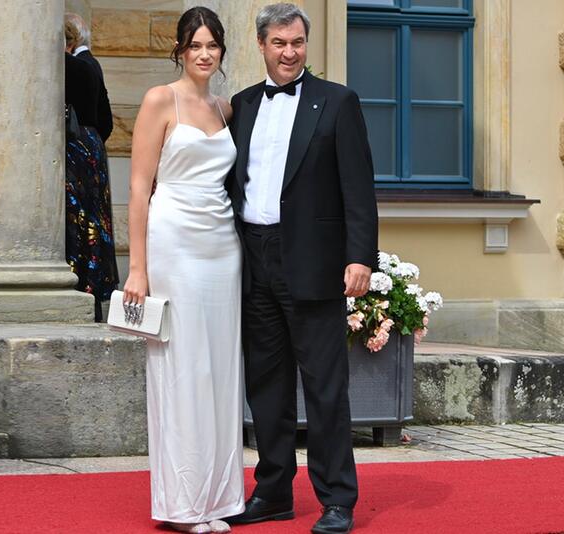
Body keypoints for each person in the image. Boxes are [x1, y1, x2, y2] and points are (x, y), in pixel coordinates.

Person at [223, 4, 378, 534]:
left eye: (298, 42)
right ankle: (272, 493)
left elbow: (358, 189)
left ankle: (338, 500)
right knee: (265, 384)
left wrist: (360, 258)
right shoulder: (241, 106)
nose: (289, 52)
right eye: (279, 43)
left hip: (312, 262)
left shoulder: (337, 102)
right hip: (253, 257)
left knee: (325, 387)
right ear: (262, 45)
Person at [120, 7, 243, 534]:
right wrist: (137, 269)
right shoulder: (158, 100)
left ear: (221, 51)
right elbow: (137, 189)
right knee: (182, 368)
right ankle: (182, 504)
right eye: (195, 44)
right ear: (180, 49)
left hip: (223, 247)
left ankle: (218, 499)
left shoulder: (224, 108)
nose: (204, 53)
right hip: (174, 244)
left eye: (213, 44)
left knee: (219, 369)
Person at [64, 19, 118, 321]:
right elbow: (106, 119)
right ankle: (94, 287)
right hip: (92, 147)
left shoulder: (68, 67)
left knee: (77, 221)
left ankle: (80, 283)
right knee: (93, 221)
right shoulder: (90, 65)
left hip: (74, 149)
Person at [64, 13, 114, 143]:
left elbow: (103, 116)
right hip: (89, 139)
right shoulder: (87, 63)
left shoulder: (81, 64)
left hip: (78, 139)